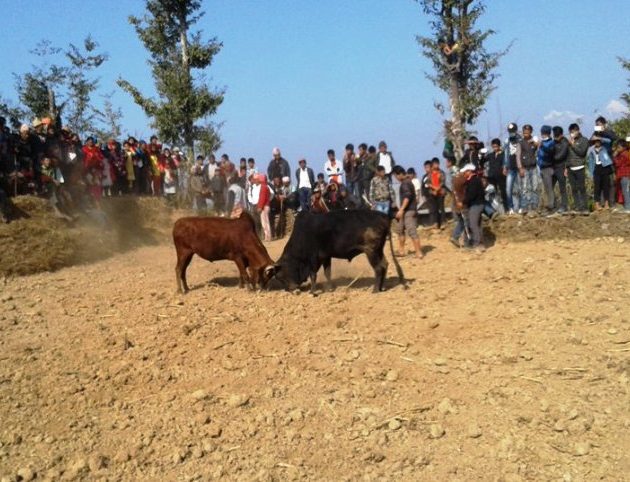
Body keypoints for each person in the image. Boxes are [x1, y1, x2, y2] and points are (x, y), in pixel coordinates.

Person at [392, 166, 422, 259]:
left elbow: (407, 197)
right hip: (405, 210)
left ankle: (418, 252)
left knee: (411, 231)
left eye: (395, 176)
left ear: (399, 174)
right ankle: (401, 251)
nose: (396, 179)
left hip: (408, 210)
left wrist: (401, 209)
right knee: (400, 230)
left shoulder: (405, 183)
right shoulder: (407, 182)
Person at [566, 123, 589, 214]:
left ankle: (584, 207)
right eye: (570, 132)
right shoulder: (569, 141)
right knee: (574, 188)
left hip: (580, 167)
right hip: (570, 168)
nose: (572, 134)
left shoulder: (584, 140)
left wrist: (573, 145)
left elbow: (582, 152)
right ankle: (577, 206)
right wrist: (566, 167)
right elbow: (567, 155)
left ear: (578, 130)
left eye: (573, 132)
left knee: (582, 188)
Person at [587, 134, 614, 210]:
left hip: (605, 167)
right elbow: (590, 163)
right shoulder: (591, 150)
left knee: (606, 186)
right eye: (595, 141)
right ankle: (597, 204)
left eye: (598, 141)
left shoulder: (605, 148)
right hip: (597, 168)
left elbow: (609, 141)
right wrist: (591, 173)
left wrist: (599, 137)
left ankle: (606, 204)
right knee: (597, 187)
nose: (597, 142)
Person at [463, 162, 485, 250]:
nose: (464, 174)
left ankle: (477, 243)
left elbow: (471, 195)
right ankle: (481, 243)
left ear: (469, 171)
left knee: (473, 224)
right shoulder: (476, 180)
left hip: (475, 205)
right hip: (479, 204)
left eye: (465, 172)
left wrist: (464, 201)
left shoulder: (473, 181)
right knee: (478, 224)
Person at [503, 123, 524, 215]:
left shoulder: (521, 140)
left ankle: (521, 207)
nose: (511, 133)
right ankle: (511, 207)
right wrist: (504, 166)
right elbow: (505, 155)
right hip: (510, 168)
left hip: (519, 168)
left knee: (520, 189)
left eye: (512, 131)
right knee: (508, 189)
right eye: (510, 131)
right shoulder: (506, 141)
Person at [449, 165, 471, 248]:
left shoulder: (453, 181)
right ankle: (467, 243)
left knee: (461, 223)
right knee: (466, 223)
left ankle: (455, 236)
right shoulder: (459, 180)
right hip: (462, 205)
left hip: (456, 205)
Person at [520, 124, 539, 215]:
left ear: (531, 132)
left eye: (527, 132)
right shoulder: (521, 142)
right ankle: (525, 207)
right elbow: (518, 155)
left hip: (533, 167)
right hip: (524, 168)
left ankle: (534, 206)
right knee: (524, 188)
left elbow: (539, 146)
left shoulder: (534, 140)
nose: (525, 134)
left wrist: (534, 142)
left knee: (534, 187)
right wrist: (520, 168)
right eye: (524, 133)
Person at [537, 125, 556, 215]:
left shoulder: (551, 142)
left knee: (549, 188)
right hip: (542, 168)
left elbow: (550, 152)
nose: (542, 134)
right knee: (546, 188)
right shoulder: (542, 143)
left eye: (544, 133)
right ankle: (547, 205)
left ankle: (551, 206)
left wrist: (542, 146)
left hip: (548, 167)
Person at [549, 125, 569, 214]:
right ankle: (552, 206)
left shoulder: (565, 142)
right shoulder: (552, 142)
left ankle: (564, 206)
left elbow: (561, 156)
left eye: (557, 136)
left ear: (561, 135)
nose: (555, 137)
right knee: (550, 187)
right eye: (554, 135)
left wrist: (550, 157)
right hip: (552, 168)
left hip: (561, 167)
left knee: (562, 188)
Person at [484, 138, 507, 212]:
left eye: (496, 146)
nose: (495, 148)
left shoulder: (503, 154)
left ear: (499, 146)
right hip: (491, 177)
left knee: (503, 192)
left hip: (501, 176)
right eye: (493, 147)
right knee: (492, 193)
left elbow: (506, 164)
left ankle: (507, 208)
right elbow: (483, 160)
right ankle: (494, 210)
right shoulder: (490, 155)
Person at [428, 158, 446, 229]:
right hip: (433, 193)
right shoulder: (430, 174)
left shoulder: (441, 172)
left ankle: (443, 223)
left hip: (440, 192)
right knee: (434, 209)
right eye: (435, 163)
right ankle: (435, 223)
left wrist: (437, 189)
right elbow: (428, 184)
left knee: (441, 208)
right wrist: (433, 190)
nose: (437, 165)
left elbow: (442, 182)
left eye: (438, 163)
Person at [614, 139, 630, 212]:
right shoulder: (625, 153)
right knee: (625, 191)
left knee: (625, 191)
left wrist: (615, 156)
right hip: (624, 175)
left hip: (625, 175)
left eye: (619, 147)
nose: (617, 149)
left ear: (623, 147)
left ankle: (628, 207)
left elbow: (618, 164)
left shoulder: (624, 154)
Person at [256, 174, 272, 241]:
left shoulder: (263, 187)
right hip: (267, 205)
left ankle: (267, 237)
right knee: (266, 221)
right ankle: (268, 236)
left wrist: (260, 207)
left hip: (264, 206)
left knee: (264, 221)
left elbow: (262, 198)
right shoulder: (267, 187)